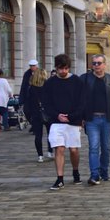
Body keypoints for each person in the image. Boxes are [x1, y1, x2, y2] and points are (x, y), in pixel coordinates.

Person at [42, 53, 87, 190]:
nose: (63, 71)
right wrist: (57, 115)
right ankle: (59, 178)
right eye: (61, 69)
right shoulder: (50, 83)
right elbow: (46, 103)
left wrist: (74, 116)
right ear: (56, 68)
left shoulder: (77, 81)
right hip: (56, 121)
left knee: (73, 150)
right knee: (59, 148)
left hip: (73, 121)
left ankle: (75, 171)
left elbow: (82, 102)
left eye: (66, 68)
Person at [80, 54, 110, 185]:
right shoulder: (85, 79)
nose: (96, 66)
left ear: (105, 65)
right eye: (94, 63)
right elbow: (80, 99)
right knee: (93, 147)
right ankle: (94, 174)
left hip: (107, 118)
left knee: (106, 147)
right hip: (91, 118)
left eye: (99, 63)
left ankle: (104, 171)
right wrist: (80, 117)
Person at [28, 67, 49, 162]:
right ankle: (50, 151)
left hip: (35, 113)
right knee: (50, 134)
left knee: (38, 135)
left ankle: (40, 155)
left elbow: (28, 103)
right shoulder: (47, 86)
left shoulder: (31, 88)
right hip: (47, 113)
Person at [19, 59, 39, 125]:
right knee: (26, 111)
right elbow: (23, 85)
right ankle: (33, 124)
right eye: (31, 66)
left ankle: (36, 126)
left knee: (36, 113)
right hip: (28, 96)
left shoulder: (40, 73)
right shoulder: (27, 74)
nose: (32, 67)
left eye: (33, 66)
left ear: (36, 66)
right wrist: (21, 98)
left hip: (37, 97)